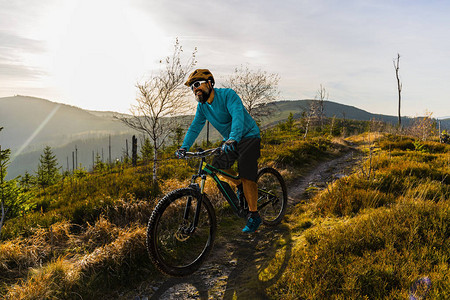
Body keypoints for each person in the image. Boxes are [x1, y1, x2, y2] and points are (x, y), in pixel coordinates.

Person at [175, 69, 262, 233]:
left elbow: (237, 116)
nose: (195, 89)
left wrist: (233, 137)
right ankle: (239, 186)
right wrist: (184, 147)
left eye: (197, 84)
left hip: (248, 135)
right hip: (231, 139)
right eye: (192, 87)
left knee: (246, 172)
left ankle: (254, 215)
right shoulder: (202, 107)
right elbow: (195, 127)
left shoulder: (228, 95)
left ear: (209, 83)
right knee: (217, 166)